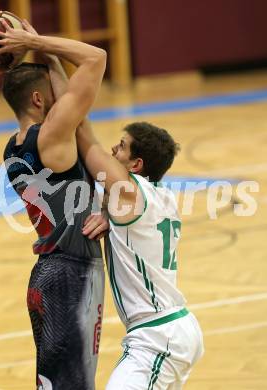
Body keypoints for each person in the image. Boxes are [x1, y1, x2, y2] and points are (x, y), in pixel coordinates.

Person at [0, 19, 108, 389]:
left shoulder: (13, 147)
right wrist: (36, 41)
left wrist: (45, 56)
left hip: (47, 275)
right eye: (54, 97)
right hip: (72, 275)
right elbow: (96, 58)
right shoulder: (52, 134)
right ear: (39, 101)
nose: (63, 98)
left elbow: (66, 93)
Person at [76, 119, 204, 389]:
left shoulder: (131, 194)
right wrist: (109, 217)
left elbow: (87, 141)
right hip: (172, 329)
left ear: (136, 165)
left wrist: (61, 77)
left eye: (121, 147)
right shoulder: (161, 197)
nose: (113, 150)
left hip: (157, 336)